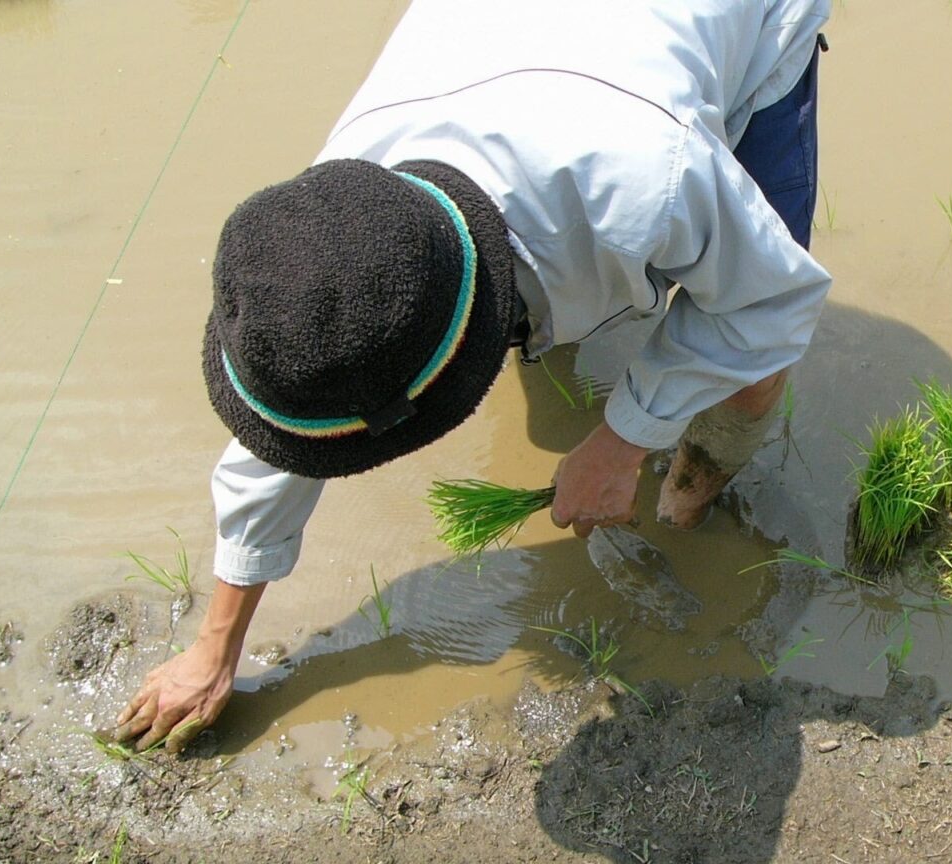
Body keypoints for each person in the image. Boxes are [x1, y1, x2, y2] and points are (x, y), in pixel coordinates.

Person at [110, 0, 833, 753]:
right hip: (528, 61)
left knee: (752, 367)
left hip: (735, 26)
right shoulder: (326, 238)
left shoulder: (650, 178)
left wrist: (623, 442)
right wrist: (214, 650)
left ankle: (690, 507)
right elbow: (287, 432)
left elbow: (773, 306)